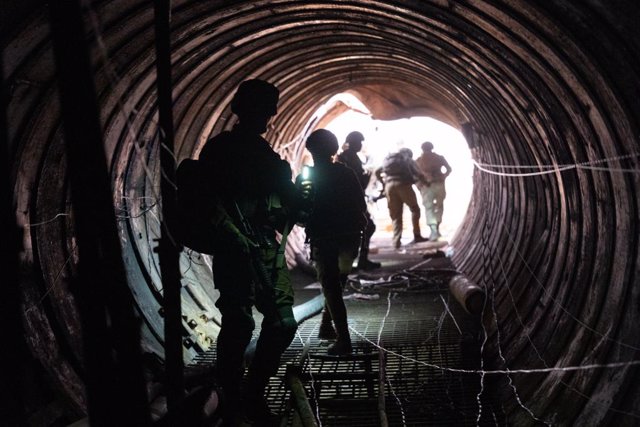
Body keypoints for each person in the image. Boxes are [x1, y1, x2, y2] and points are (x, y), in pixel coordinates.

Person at [198, 79, 302, 426]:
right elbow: (206, 201)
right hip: (233, 248)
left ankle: (251, 392)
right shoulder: (221, 151)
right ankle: (232, 398)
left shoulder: (262, 154)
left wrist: (295, 203)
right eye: (266, 107)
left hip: (263, 247)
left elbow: (287, 204)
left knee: (282, 323)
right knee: (239, 323)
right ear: (246, 109)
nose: (271, 115)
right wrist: (233, 237)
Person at [296, 129, 367, 355]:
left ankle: (343, 341)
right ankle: (327, 326)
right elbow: (361, 204)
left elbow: (299, 212)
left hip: (325, 238)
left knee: (331, 285)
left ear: (310, 150)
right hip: (350, 237)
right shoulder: (347, 173)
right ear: (335, 150)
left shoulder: (307, 178)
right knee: (338, 283)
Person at [337, 131, 381, 270]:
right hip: (350, 201)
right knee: (367, 227)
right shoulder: (348, 158)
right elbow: (354, 181)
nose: (360, 145)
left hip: (350, 200)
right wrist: (366, 177)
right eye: (359, 142)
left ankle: (353, 260)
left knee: (364, 228)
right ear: (352, 143)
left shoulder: (348, 157)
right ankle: (356, 260)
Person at [375, 148, 427, 249]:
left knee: (396, 215)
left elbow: (377, 171)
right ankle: (417, 235)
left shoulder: (389, 160)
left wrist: (383, 183)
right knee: (415, 209)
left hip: (389, 187)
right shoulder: (407, 159)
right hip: (404, 185)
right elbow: (418, 174)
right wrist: (426, 183)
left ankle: (396, 242)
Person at [415, 141, 452, 241]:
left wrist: (419, 186)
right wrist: (443, 176)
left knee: (429, 208)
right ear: (432, 147)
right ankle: (437, 228)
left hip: (426, 186)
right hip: (439, 184)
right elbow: (449, 169)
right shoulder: (439, 158)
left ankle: (433, 231)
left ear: (422, 149)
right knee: (439, 206)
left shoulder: (419, 160)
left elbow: (415, 175)